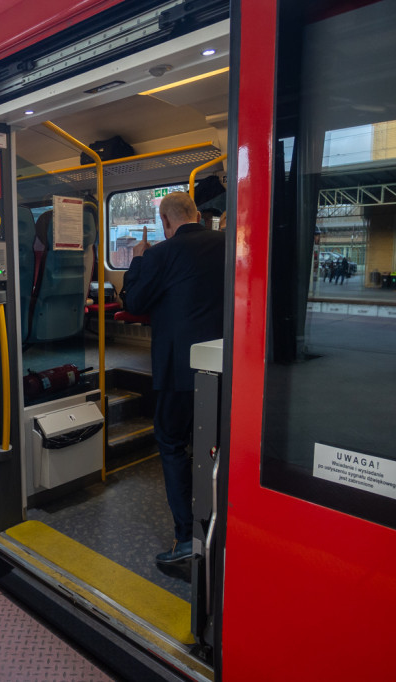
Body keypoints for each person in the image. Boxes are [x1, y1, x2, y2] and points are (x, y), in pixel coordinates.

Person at [121, 192, 225, 565]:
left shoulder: (160, 255)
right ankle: (222, 528)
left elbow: (132, 302)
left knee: (171, 442)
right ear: (197, 214)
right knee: (216, 444)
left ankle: (186, 539)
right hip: (224, 366)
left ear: (165, 222)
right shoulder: (227, 244)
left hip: (179, 370)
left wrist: (137, 262)